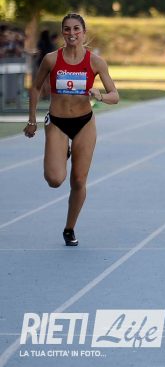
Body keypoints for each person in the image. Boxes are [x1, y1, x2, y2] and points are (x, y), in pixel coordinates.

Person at [23, 13, 119, 246]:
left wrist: (99, 96)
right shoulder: (51, 60)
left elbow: (115, 96)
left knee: (78, 180)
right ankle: (62, 149)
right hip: (57, 122)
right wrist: (32, 120)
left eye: (76, 29)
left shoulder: (96, 62)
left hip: (84, 122)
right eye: (67, 29)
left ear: (84, 32)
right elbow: (35, 88)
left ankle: (69, 228)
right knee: (55, 179)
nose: (72, 33)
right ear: (63, 33)